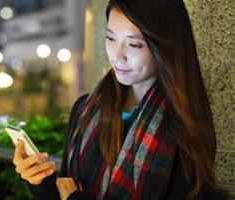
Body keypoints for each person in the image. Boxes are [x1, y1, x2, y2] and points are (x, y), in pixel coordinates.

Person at [12, 0, 222, 199]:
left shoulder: (187, 126)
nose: (117, 55)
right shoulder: (86, 108)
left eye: (134, 44)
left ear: (166, 47)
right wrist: (42, 183)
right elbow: (65, 189)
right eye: (111, 38)